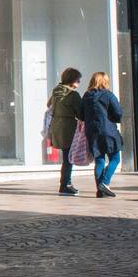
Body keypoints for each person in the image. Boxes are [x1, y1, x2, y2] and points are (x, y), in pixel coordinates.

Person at [81, 72, 123, 199]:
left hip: (92, 132)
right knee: (115, 158)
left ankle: (100, 191)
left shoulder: (86, 96)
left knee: (99, 161)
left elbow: (81, 114)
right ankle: (104, 183)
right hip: (108, 131)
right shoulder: (108, 95)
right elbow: (118, 113)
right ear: (105, 81)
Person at [48, 67, 83, 196]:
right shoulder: (73, 95)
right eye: (78, 80)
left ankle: (65, 183)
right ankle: (65, 184)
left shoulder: (56, 91)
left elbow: (49, 105)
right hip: (68, 127)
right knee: (68, 158)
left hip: (57, 127)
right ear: (72, 80)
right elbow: (80, 113)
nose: (79, 83)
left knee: (66, 157)